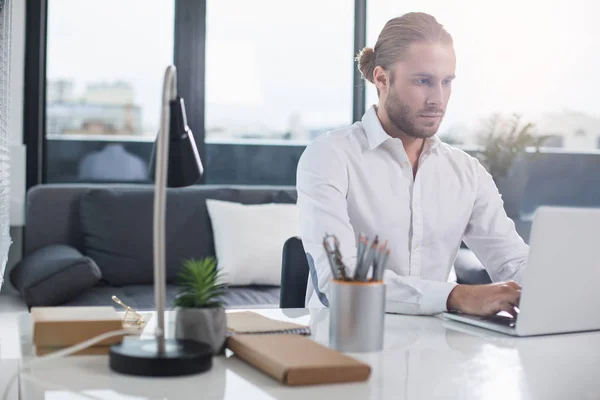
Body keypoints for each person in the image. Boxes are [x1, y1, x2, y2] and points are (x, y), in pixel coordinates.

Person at [296, 12, 528, 316]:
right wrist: (455, 296)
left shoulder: (468, 173)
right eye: (423, 81)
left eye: (446, 82)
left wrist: (555, 287)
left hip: (439, 348)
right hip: (347, 346)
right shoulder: (329, 156)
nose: (438, 99)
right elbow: (340, 281)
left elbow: (512, 262)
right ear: (381, 78)